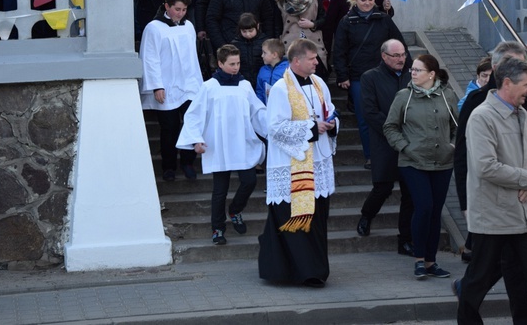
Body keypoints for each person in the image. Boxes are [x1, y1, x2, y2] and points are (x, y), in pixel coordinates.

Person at [458, 56, 527, 324]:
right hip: (493, 218)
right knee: (476, 284)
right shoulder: (481, 117)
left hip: (526, 217)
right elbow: (486, 166)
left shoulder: (522, 112)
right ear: (507, 83)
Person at [453, 41, 527, 322]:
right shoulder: (476, 105)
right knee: (484, 271)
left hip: (522, 201)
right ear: (498, 71)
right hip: (492, 205)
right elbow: (468, 158)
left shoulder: (523, 102)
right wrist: (465, 200)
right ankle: (467, 297)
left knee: (520, 273)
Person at [258, 39, 338, 287]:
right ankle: (300, 271)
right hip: (293, 165)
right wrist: (313, 128)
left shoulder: (319, 83)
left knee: (317, 218)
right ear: (296, 61)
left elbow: (330, 110)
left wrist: (333, 123)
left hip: (318, 162)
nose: (317, 62)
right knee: (297, 221)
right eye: (312, 58)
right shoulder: (281, 88)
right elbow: (275, 128)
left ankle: (315, 267)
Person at [177, 44, 267, 245]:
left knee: (250, 181)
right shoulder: (209, 87)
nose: (236, 67)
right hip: (219, 145)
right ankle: (217, 228)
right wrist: (196, 140)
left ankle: (235, 209)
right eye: (232, 64)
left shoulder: (244, 85)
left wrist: (272, 130)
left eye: (238, 63)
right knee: (220, 190)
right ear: (219, 63)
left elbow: (257, 111)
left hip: (242, 142)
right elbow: (194, 114)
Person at [383, 54, 456, 278]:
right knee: (423, 207)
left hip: (443, 162)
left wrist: (451, 145)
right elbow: (390, 127)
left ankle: (431, 262)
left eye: (417, 70)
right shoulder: (404, 96)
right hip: (413, 162)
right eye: (412, 69)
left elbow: (457, 125)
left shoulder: (447, 95)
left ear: (431, 74)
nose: (412, 73)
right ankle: (418, 259)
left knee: (435, 212)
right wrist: (405, 147)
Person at [333, 0, 407, 169]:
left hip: (384, 74)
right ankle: (371, 156)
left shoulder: (384, 19)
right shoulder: (346, 22)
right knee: (365, 117)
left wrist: (407, 69)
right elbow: (339, 50)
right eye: (363, 0)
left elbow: (400, 43)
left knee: (390, 115)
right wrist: (342, 76)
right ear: (355, 0)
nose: (367, 3)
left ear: (376, 0)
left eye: (370, 0)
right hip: (358, 76)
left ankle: (396, 154)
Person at [356, 39, 414, 255]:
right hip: (384, 142)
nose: (401, 59)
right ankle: (366, 215)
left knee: (410, 192)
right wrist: (392, 131)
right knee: (383, 187)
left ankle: (405, 240)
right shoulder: (370, 77)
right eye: (396, 56)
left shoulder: (412, 75)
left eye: (403, 55)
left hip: (410, 143)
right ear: (384, 56)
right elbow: (369, 112)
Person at [139, 0, 202, 182]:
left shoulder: (188, 26)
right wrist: (157, 86)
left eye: (184, 10)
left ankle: (188, 162)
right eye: (177, 9)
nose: (180, 14)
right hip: (166, 86)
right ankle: (168, 166)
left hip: (189, 85)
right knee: (169, 128)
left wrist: (197, 84)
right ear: (167, 6)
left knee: (190, 124)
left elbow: (192, 58)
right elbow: (150, 59)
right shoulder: (154, 28)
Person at [276, 0, 328, 77]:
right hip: (290, 45)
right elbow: (276, 25)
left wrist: (313, 24)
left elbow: (325, 18)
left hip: (313, 43)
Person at [231, 13, 266, 90]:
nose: (248, 34)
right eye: (244, 31)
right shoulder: (236, 44)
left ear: (257, 26)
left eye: (251, 31)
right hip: (242, 80)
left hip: (260, 79)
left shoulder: (264, 42)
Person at [256, 38, 289, 104]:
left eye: (264, 53)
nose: (262, 55)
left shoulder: (288, 69)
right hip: (266, 109)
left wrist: (275, 92)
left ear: (274, 55)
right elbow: (259, 91)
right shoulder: (263, 70)